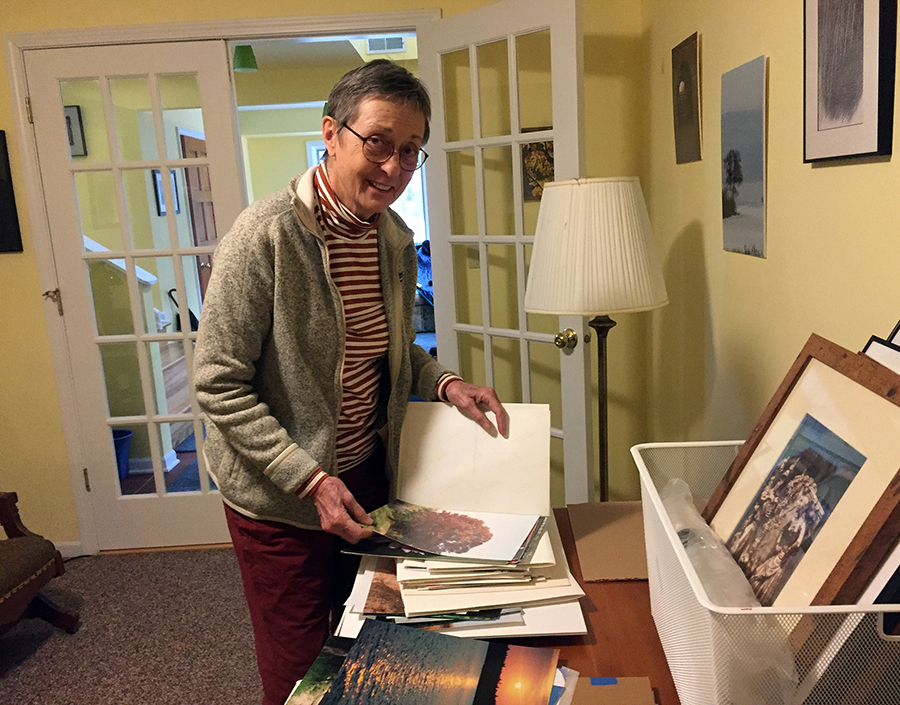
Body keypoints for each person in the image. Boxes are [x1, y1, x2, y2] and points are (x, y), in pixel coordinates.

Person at [193, 59, 508, 705]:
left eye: (412, 151)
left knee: (369, 638)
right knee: (302, 670)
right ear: (331, 133)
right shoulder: (264, 236)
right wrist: (308, 478)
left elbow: (389, 353)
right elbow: (217, 382)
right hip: (283, 500)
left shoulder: (392, 237)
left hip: (366, 476)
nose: (395, 166)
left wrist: (447, 382)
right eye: (380, 143)